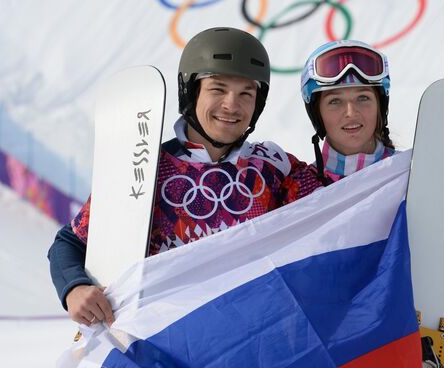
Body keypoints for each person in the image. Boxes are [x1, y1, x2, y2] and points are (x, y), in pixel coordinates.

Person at [48, 27, 305, 326]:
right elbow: (70, 242)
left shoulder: (274, 168)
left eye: (246, 93)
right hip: (163, 337)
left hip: (246, 336)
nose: (232, 105)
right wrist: (75, 288)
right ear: (191, 91)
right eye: (218, 89)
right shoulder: (145, 167)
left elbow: (339, 200)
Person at [281, 40, 444, 287]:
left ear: (380, 106)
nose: (351, 112)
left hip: (406, 335)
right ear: (317, 113)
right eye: (335, 101)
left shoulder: (423, 176)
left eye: (363, 97)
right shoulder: (298, 190)